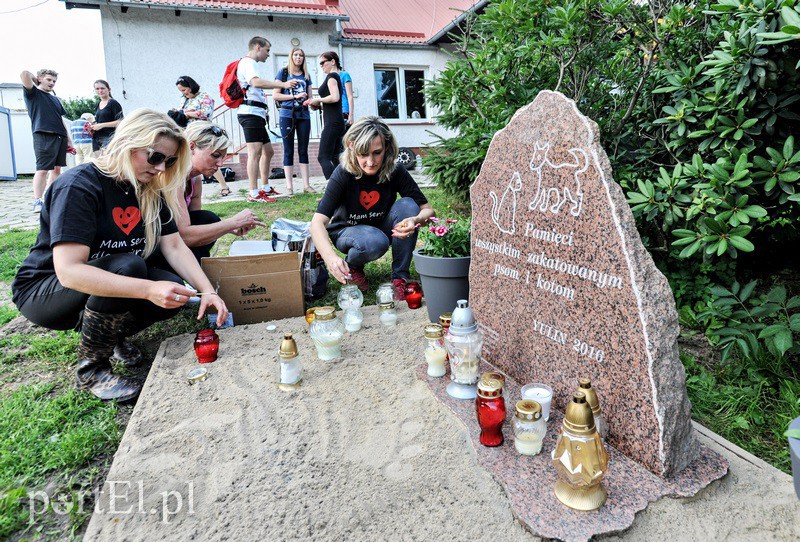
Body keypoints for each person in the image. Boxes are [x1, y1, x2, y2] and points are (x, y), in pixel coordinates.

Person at [11, 109, 228, 402]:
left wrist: (205, 292)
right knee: (129, 266)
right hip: (45, 290)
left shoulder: (148, 188)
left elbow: (174, 246)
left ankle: (110, 338)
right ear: (126, 141)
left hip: (105, 275)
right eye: (155, 157)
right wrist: (149, 289)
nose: (162, 168)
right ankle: (91, 371)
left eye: (170, 161)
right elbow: (69, 271)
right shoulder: (79, 185)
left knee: (173, 288)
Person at [310, 116, 435, 299]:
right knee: (374, 241)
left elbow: (429, 211)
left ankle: (400, 277)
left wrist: (414, 220)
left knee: (408, 204)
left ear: (387, 147)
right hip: (347, 232)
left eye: (377, 152)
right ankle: (353, 265)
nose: (370, 161)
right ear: (352, 147)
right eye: (363, 154)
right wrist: (331, 259)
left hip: (380, 228)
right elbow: (316, 223)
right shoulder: (343, 173)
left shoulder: (395, 170)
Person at [149, 121, 265, 270]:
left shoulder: (195, 179)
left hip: (171, 245)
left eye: (223, 157)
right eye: (215, 156)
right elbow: (184, 236)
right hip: (152, 248)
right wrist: (232, 223)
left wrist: (230, 228)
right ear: (192, 147)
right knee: (210, 220)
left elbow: (195, 225)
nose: (220, 164)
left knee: (207, 219)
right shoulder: (174, 177)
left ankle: (196, 279)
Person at [236, 36, 298, 203]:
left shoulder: (251, 64)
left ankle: (265, 187)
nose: (268, 54)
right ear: (258, 47)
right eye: (267, 50)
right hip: (249, 113)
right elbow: (255, 83)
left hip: (257, 113)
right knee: (254, 153)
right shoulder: (248, 63)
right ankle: (253, 193)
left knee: (268, 151)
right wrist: (283, 85)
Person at [19, 68, 74, 213]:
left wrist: (69, 140)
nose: (52, 83)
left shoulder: (56, 99)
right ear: (40, 79)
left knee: (57, 169)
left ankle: (51, 198)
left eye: (54, 81)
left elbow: (60, 120)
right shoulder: (33, 93)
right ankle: (38, 201)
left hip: (60, 136)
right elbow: (24, 74)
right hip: (43, 135)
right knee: (42, 169)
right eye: (49, 80)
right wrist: (35, 80)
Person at [174, 76, 232, 196]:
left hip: (204, 134)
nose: (183, 93)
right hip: (187, 132)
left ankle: (223, 186)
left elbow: (206, 113)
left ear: (191, 86)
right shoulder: (184, 99)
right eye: (181, 91)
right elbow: (181, 112)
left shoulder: (204, 97)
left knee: (211, 161)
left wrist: (187, 114)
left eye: (184, 90)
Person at [272, 47, 314, 195]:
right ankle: (289, 187)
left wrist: (315, 103)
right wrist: (294, 97)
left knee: (303, 150)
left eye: (301, 55)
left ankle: (306, 185)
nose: (298, 57)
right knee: (288, 150)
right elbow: (275, 96)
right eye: (296, 55)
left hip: (303, 115)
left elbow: (310, 97)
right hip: (287, 114)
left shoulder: (306, 75)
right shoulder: (283, 73)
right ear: (291, 56)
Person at [305, 51, 345, 180]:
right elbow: (334, 102)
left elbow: (335, 97)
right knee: (334, 157)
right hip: (337, 121)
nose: (321, 66)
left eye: (323, 62)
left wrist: (318, 100)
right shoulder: (335, 77)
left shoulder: (332, 76)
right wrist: (318, 105)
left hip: (332, 123)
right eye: (320, 63)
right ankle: (346, 186)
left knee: (323, 157)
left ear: (332, 61)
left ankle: (334, 188)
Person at [91, 79, 123, 153]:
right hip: (96, 139)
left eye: (102, 88)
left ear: (109, 89)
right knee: (98, 163)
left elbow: (120, 121)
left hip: (109, 138)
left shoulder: (113, 103)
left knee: (108, 162)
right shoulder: (97, 104)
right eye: (97, 89)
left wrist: (102, 125)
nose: (100, 91)